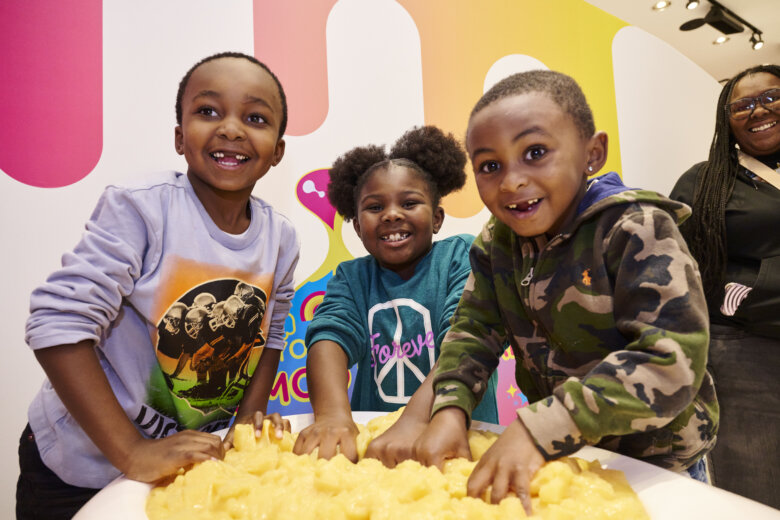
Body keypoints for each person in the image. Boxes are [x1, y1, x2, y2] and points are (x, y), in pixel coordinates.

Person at [411, 70, 719, 513]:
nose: (512, 181)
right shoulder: (494, 244)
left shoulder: (636, 228)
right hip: (568, 457)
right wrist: (449, 409)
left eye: (535, 152)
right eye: (489, 166)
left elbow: (671, 360)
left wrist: (541, 425)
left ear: (592, 153)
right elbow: (473, 333)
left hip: (660, 465)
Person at [16, 51, 299, 519]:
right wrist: (130, 452)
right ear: (179, 138)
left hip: (182, 467)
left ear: (278, 150)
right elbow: (57, 322)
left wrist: (248, 420)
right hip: (78, 468)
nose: (231, 128)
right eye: (208, 111)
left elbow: (271, 332)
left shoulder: (281, 238)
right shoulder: (140, 210)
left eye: (255, 117)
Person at [293, 126, 499, 465]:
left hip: (459, 441)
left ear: (436, 218)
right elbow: (329, 336)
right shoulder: (352, 277)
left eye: (409, 203)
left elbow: (466, 339)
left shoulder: (459, 257)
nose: (391, 214)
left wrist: (416, 420)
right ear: (357, 227)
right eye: (375, 207)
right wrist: (332, 415)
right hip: (376, 448)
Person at [669, 64, 780, 509]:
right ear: (726, 120)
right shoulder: (703, 182)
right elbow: (678, 268)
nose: (759, 110)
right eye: (743, 105)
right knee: (757, 485)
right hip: (744, 352)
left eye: (771, 97)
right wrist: (749, 292)